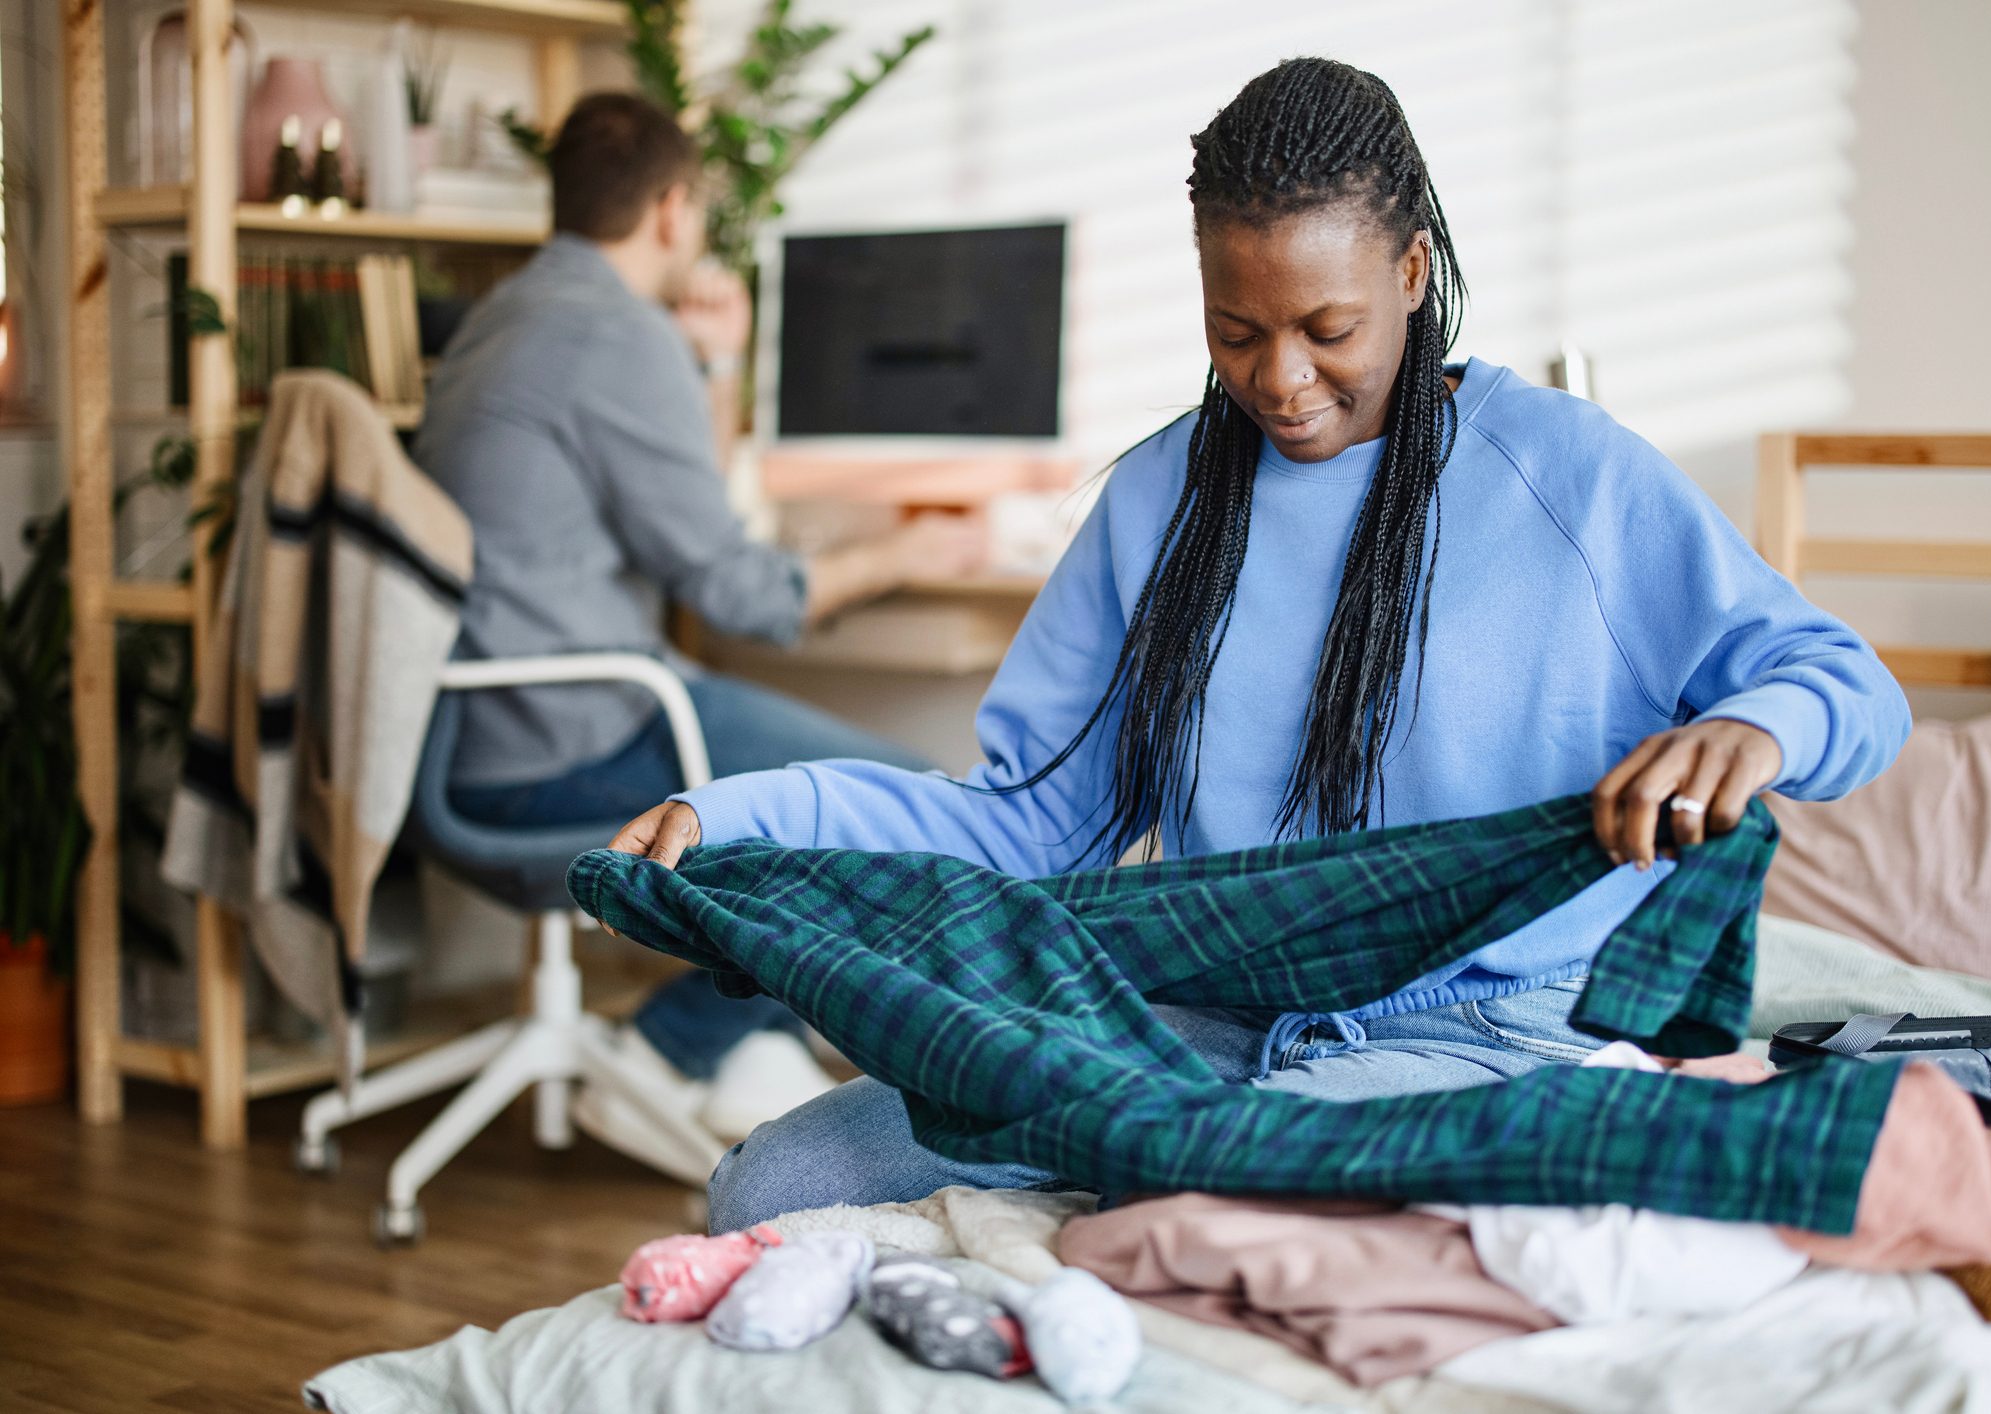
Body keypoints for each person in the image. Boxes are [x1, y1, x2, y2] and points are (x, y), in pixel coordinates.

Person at [605, 58, 1912, 1235]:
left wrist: (1755, 726)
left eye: (1326, 329)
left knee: (1200, 1217)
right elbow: (1022, 819)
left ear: (1410, 272)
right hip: (1202, 1006)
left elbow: (1847, 689)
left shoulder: (1574, 476)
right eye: (1239, 330)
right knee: (772, 1188)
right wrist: (738, 818)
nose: (1281, 376)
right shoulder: (1157, 503)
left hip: (1487, 1027)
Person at [415, 92, 983, 1185]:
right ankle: (671, 1044)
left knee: (816, 797)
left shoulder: (505, 315)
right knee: (906, 804)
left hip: (478, 727)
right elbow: (737, 590)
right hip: (569, 733)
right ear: (673, 209)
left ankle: (705, 1048)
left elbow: (681, 517)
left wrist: (715, 362)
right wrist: (905, 556)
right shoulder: (611, 333)